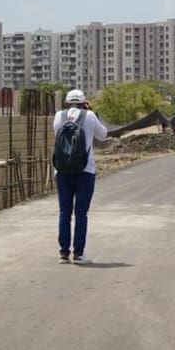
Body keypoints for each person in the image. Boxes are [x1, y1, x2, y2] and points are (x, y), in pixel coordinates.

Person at [53, 88, 108, 263]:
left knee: (64, 212)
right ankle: (78, 253)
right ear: (84, 102)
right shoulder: (90, 116)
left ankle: (63, 253)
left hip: (62, 171)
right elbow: (103, 135)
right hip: (85, 170)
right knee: (81, 213)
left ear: (67, 102)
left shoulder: (58, 116)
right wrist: (91, 112)